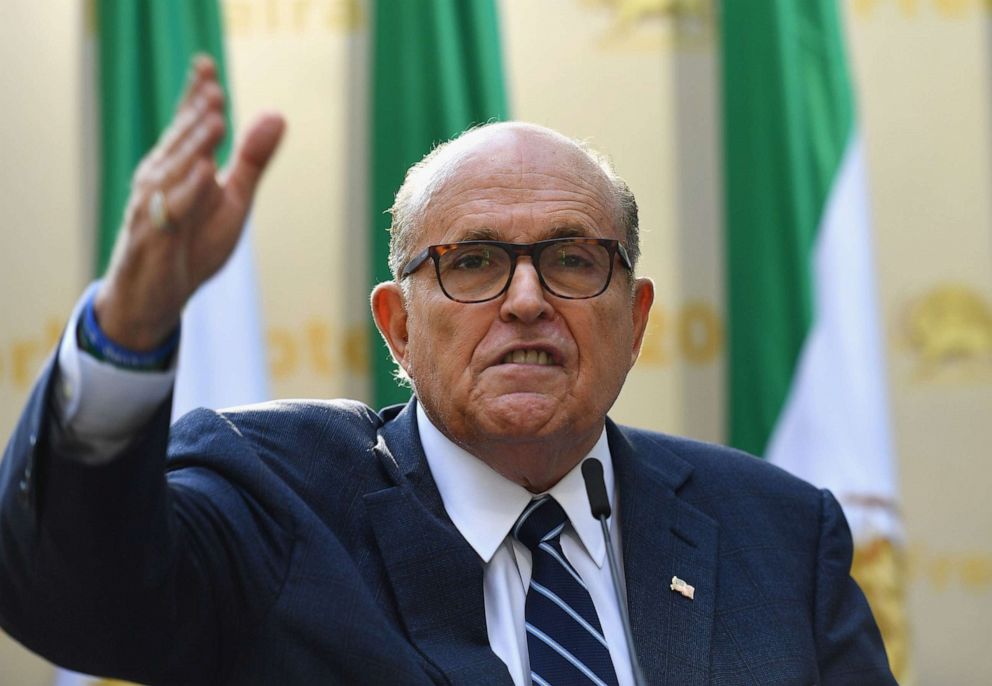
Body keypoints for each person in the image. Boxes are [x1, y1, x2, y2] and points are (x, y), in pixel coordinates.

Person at [0, 56, 895, 685]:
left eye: (573, 260)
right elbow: (72, 598)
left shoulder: (777, 536)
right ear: (397, 326)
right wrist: (129, 326)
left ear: (637, 320)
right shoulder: (275, 498)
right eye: (471, 263)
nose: (526, 300)